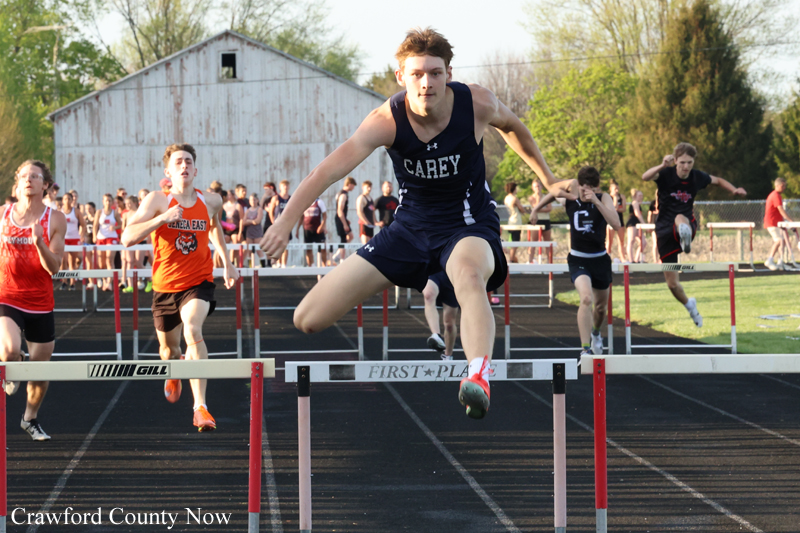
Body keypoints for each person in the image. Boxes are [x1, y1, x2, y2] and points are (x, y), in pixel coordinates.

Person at [260, 28, 562, 419]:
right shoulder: (386, 120)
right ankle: (404, 277)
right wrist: (285, 221)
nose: (427, 83)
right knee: (307, 319)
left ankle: (478, 376)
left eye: (435, 73)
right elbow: (325, 172)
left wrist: (549, 179)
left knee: (468, 275)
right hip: (408, 232)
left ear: (448, 74)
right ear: (401, 76)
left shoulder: (477, 103)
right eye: (417, 73)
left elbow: (515, 129)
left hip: (467, 226)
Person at [122, 143, 238, 432]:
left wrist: (226, 261)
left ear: (195, 170)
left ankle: (200, 407)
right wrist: (162, 219)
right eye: (178, 162)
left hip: (198, 282)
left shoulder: (211, 200)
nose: (184, 165)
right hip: (164, 287)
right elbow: (127, 237)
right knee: (169, 351)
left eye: (188, 161)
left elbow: (214, 228)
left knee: (193, 328)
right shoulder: (156, 201)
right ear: (168, 171)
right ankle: (174, 370)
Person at [642, 142, 747, 326]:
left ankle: (685, 236)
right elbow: (645, 177)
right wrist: (662, 165)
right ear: (675, 161)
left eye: (690, 162)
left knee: (680, 217)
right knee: (672, 284)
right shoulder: (666, 173)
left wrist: (734, 189)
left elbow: (718, 180)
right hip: (664, 230)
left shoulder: (697, 177)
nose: (686, 167)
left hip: (686, 223)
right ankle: (690, 306)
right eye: (682, 162)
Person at [1, 160, 67, 441]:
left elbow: (55, 268)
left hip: (40, 302)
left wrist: (38, 242)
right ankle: (14, 361)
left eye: (35, 176)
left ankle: (30, 418)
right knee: (8, 349)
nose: (29, 180)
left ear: (45, 185)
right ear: (17, 184)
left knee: (40, 371)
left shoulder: (55, 219)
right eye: (24, 176)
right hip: (7, 297)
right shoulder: (3, 215)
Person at [533, 166, 620, 360]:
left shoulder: (604, 198)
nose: (586, 192)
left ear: (596, 188)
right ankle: (585, 349)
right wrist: (536, 209)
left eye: (591, 188)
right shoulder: (571, 198)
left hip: (600, 259)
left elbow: (616, 224)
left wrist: (596, 200)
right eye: (583, 188)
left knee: (600, 308)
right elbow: (554, 192)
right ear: (579, 186)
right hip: (578, 259)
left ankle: (596, 333)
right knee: (586, 299)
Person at [422, 271, 459, 360]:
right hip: (433, 271)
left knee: (449, 324)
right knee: (428, 295)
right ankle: (436, 335)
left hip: (451, 275)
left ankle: (447, 356)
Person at [93, 194, 122, 292]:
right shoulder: (99, 212)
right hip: (101, 238)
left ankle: (109, 283)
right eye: (106, 200)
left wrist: (115, 227)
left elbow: (121, 225)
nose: (108, 203)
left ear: (112, 202)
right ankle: (104, 280)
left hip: (111, 238)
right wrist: (94, 236)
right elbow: (95, 225)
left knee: (109, 260)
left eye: (110, 201)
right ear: (103, 201)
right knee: (101, 263)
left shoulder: (115, 213)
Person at [60, 191, 88, 290]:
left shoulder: (76, 211)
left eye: (69, 199)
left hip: (74, 238)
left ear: (72, 200)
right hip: (63, 238)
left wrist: (82, 235)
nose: (67, 201)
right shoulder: (60, 211)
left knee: (72, 262)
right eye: (65, 199)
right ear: (62, 201)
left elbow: (83, 224)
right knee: (63, 261)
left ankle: (72, 283)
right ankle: (64, 281)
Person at [764, 178, 792, 270]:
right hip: (772, 222)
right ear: (777, 186)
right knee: (779, 240)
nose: (784, 188)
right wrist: (790, 220)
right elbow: (780, 209)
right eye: (782, 186)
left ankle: (780, 262)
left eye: (785, 186)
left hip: (777, 223)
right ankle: (770, 260)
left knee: (783, 241)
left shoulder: (777, 195)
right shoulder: (775, 195)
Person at [268, 180, 293, 266]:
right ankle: (277, 263)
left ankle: (284, 264)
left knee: (285, 245)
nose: (285, 187)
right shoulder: (276, 198)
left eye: (287, 186)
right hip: (278, 225)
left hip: (287, 226)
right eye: (283, 186)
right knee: (278, 244)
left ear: (289, 187)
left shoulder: (291, 198)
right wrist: (273, 223)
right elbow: (271, 211)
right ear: (280, 187)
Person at [331, 176, 356, 264]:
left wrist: (346, 220)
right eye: (353, 185)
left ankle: (337, 255)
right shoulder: (343, 195)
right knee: (344, 239)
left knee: (350, 236)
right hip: (340, 219)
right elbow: (340, 211)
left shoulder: (341, 193)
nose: (353, 188)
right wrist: (344, 223)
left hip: (342, 218)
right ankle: (341, 259)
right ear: (349, 184)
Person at [298, 197, 327, 267]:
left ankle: (324, 265)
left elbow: (325, 216)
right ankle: (311, 265)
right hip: (307, 229)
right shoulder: (304, 203)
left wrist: (322, 226)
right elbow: (301, 217)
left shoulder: (319, 202)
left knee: (323, 248)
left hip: (317, 230)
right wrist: (297, 229)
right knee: (308, 249)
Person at [528, 179, 551, 263]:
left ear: (541, 186)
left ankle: (549, 262)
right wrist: (538, 198)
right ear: (532, 188)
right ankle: (530, 261)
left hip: (546, 220)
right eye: (535, 186)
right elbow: (535, 208)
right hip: (536, 221)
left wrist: (539, 208)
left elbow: (549, 208)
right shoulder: (531, 198)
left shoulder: (546, 197)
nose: (537, 188)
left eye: (538, 186)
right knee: (533, 243)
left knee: (547, 244)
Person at [503, 182, 526, 263]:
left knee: (512, 241)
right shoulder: (514, 198)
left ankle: (512, 258)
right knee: (515, 241)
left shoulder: (506, 198)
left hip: (510, 221)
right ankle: (512, 259)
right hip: (516, 221)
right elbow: (522, 209)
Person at [243, 193, 267, 267]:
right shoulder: (247, 210)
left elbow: (257, 221)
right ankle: (250, 266)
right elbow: (244, 222)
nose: (252, 201)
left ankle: (263, 266)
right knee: (249, 250)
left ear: (257, 200)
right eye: (251, 200)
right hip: (249, 232)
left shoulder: (259, 209)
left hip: (257, 232)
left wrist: (249, 221)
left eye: (254, 200)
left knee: (258, 250)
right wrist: (251, 221)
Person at [605, 179, 627, 261]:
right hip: (610, 221)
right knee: (609, 241)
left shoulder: (621, 197)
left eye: (618, 189)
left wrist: (617, 207)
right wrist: (615, 199)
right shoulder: (607, 197)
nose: (617, 191)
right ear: (611, 189)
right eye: (615, 189)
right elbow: (613, 208)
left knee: (621, 241)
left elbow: (623, 208)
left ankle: (622, 258)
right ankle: (607, 257)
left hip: (619, 220)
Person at [625, 189, 647, 263]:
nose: (641, 197)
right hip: (632, 223)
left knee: (643, 242)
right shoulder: (635, 203)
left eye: (642, 195)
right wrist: (644, 224)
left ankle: (636, 259)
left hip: (638, 224)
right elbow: (637, 214)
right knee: (631, 240)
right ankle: (631, 260)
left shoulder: (638, 204)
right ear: (635, 196)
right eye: (639, 195)